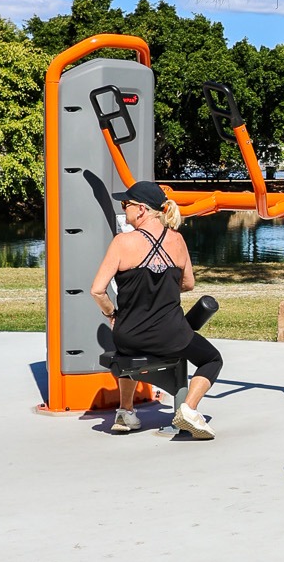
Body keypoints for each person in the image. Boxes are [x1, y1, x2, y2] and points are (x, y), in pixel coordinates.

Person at [89, 180, 222, 440]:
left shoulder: (122, 243)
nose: (123, 209)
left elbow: (97, 290)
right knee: (212, 358)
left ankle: (125, 412)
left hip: (128, 334)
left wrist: (111, 315)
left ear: (141, 209)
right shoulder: (178, 240)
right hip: (170, 336)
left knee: (127, 350)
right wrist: (164, 289)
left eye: (125, 204)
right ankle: (189, 409)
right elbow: (188, 284)